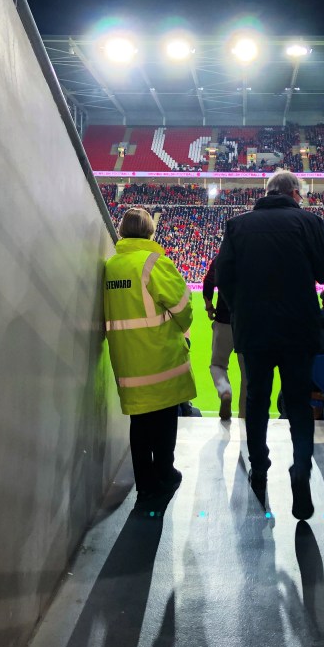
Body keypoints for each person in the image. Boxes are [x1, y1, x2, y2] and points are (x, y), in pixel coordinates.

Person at [216, 170, 324, 519]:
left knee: (257, 399)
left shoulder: (237, 226)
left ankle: (259, 468)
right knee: (298, 402)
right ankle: (300, 468)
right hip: (299, 328)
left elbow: (224, 276)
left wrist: (241, 309)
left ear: (267, 192)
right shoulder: (309, 221)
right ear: (295, 193)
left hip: (254, 330)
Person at [103, 207, 196, 516]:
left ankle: (145, 486)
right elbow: (182, 305)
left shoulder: (112, 266)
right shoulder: (155, 262)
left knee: (140, 424)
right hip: (160, 357)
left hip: (127, 361)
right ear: (149, 232)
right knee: (166, 419)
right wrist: (182, 329)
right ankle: (166, 475)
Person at [203, 254, 245, 421]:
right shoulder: (257, 254)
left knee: (218, 365)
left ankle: (224, 391)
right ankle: (244, 417)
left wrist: (209, 306)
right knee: (248, 374)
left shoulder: (221, 259)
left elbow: (208, 283)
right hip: (248, 324)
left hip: (223, 320)